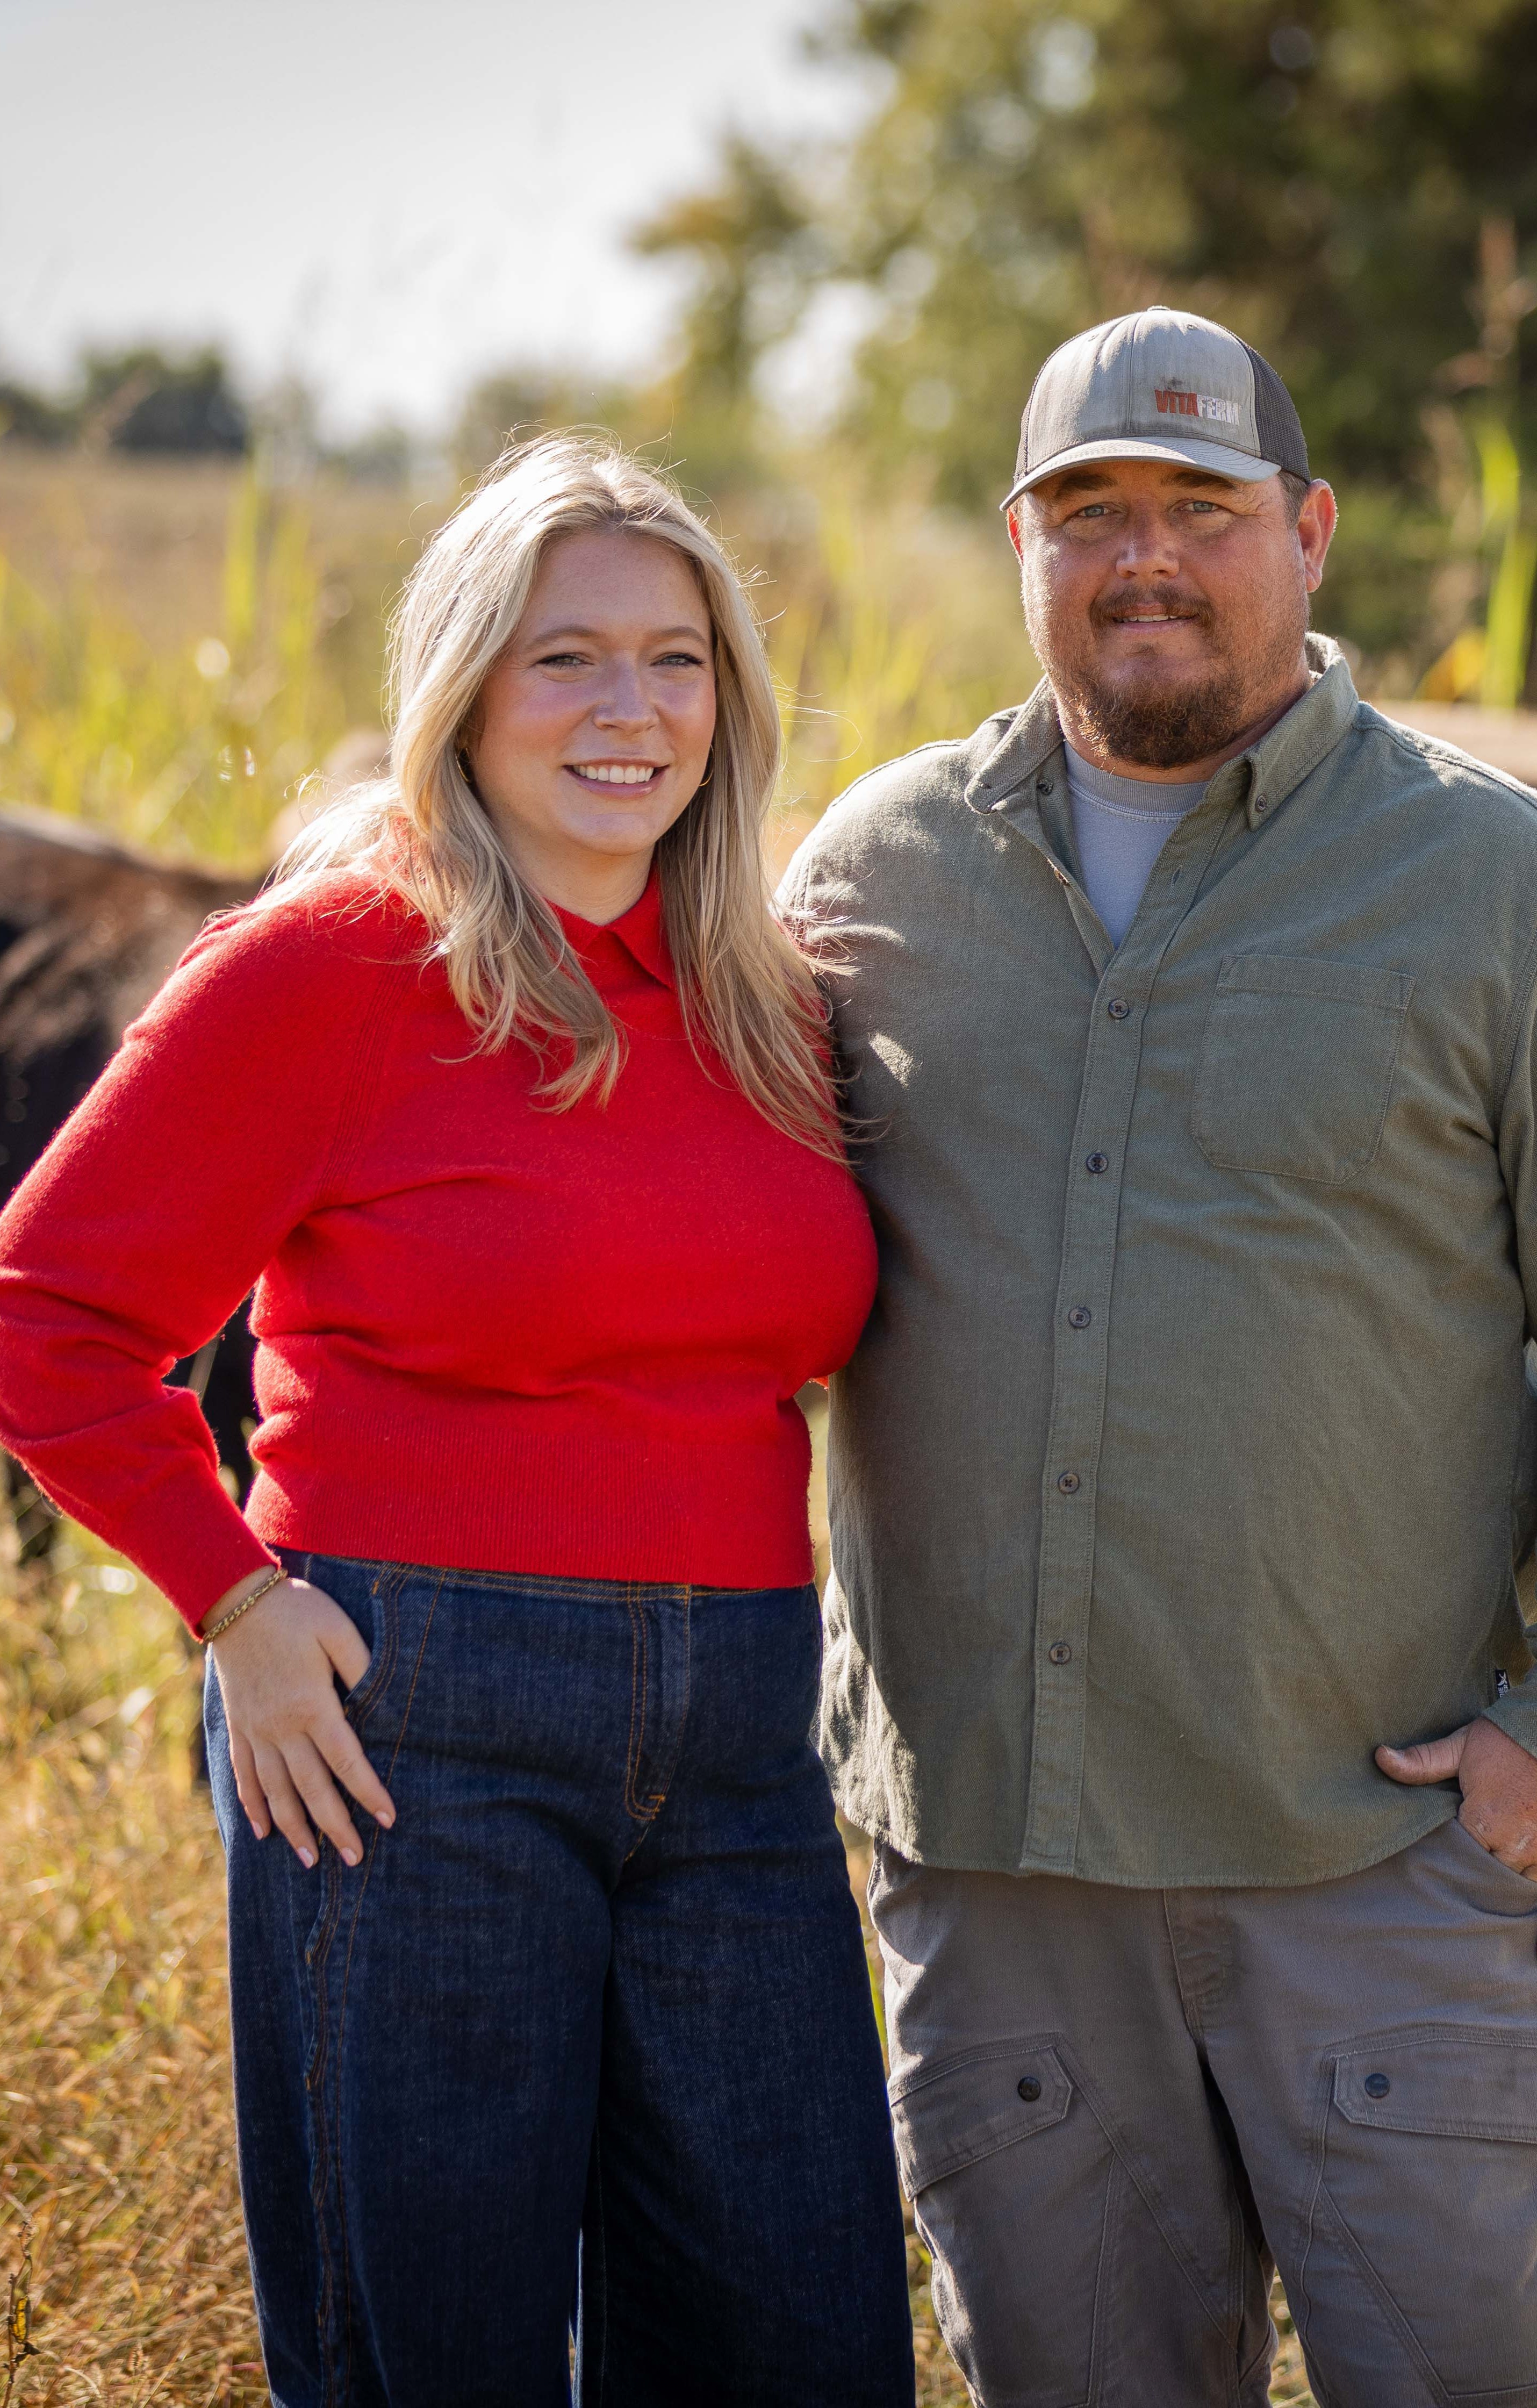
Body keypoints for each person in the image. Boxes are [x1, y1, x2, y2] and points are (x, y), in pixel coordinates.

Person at [778, 309, 1537, 2406]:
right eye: (1090, 514)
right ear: (1022, 550)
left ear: (1305, 535)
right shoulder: (873, 880)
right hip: (1008, 1889)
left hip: (1393, 1873)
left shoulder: (1510, 888)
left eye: (1200, 509)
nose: (1147, 557)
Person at [0, 436, 914, 2408]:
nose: (629, 709)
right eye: (563, 657)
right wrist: (235, 1606)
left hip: (750, 1727)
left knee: (805, 2336)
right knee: (437, 2354)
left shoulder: (774, 999)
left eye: (676, 660)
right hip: (414, 1726)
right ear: (465, 692)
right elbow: (45, 1313)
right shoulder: (331, 967)